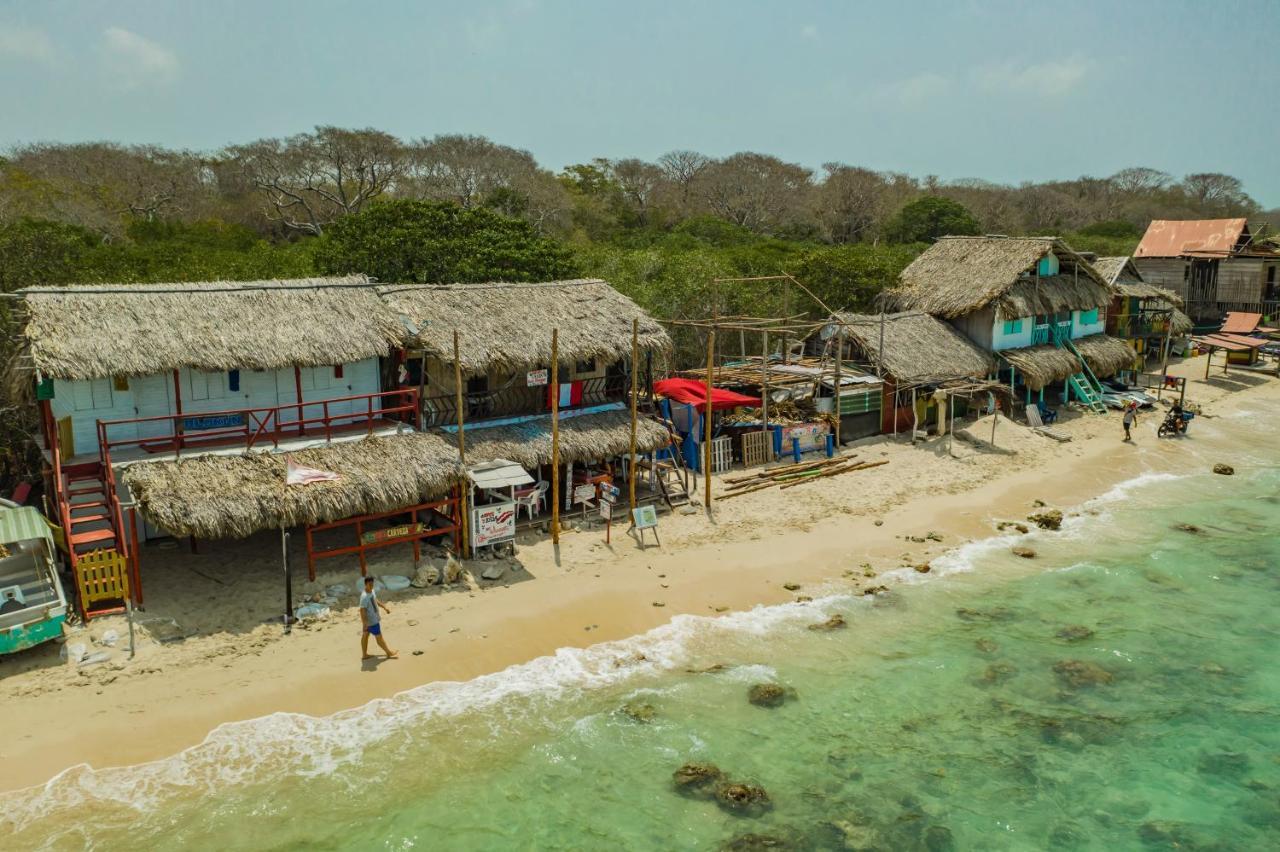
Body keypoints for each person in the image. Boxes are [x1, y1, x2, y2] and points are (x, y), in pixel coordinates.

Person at [359, 575, 397, 661]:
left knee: (365, 636)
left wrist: (384, 607)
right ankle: (388, 652)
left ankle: (364, 655)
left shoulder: (371, 591)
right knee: (379, 638)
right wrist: (365, 623)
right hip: (372, 621)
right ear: (365, 584)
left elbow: (375, 600)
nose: (371, 586)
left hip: (371, 620)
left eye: (372, 584)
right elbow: (362, 611)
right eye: (369, 585)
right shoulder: (364, 597)